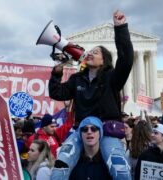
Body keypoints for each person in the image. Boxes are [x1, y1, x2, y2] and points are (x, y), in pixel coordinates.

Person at [49, 9, 133, 180]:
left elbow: (126, 59)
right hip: (82, 130)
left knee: (121, 172)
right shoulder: (77, 78)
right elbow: (57, 93)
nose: (90, 54)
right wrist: (57, 73)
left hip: (107, 131)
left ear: (104, 60)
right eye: (90, 51)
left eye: (96, 52)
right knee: (60, 167)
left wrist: (121, 28)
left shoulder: (112, 78)